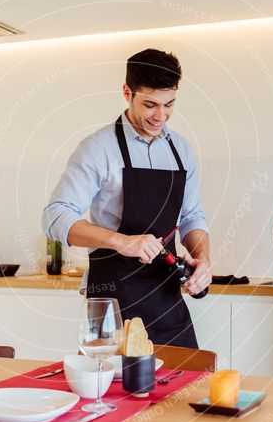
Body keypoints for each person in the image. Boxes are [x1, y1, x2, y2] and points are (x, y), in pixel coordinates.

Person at [42, 48, 211, 348]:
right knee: (118, 389)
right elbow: (55, 215)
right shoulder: (98, 148)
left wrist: (203, 260)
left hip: (166, 295)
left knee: (186, 384)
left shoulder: (181, 150)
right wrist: (123, 241)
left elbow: (191, 217)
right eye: (150, 104)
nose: (160, 116)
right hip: (112, 298)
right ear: (126, 93)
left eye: (169, 104)